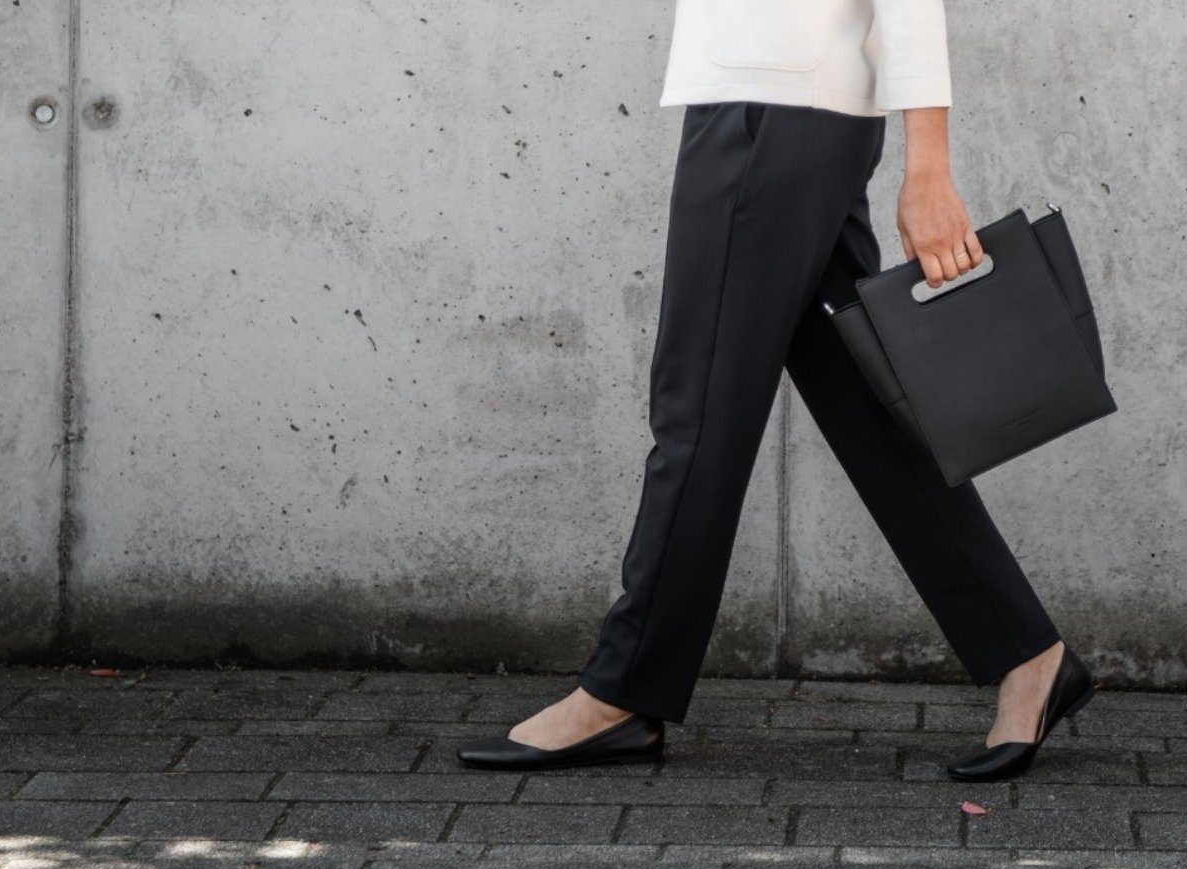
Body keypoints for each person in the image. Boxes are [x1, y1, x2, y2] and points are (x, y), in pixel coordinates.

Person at [456, 0, 1094, 782]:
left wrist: (929, 164)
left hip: (770, 111)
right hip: (783, 101)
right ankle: (1027, 654)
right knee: (866, 408)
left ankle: (623, 690)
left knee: (698, 411)